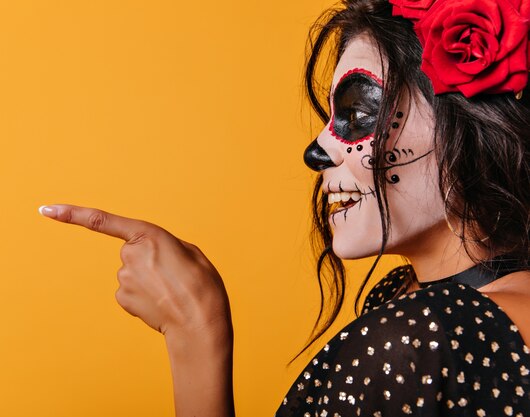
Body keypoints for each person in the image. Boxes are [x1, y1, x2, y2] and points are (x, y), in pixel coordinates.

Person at [38, 0, 530, 415]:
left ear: (474, 124)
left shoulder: (416, 340)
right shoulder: (418, 299)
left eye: (358, 113)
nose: (317, 150)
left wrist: (194, 329)